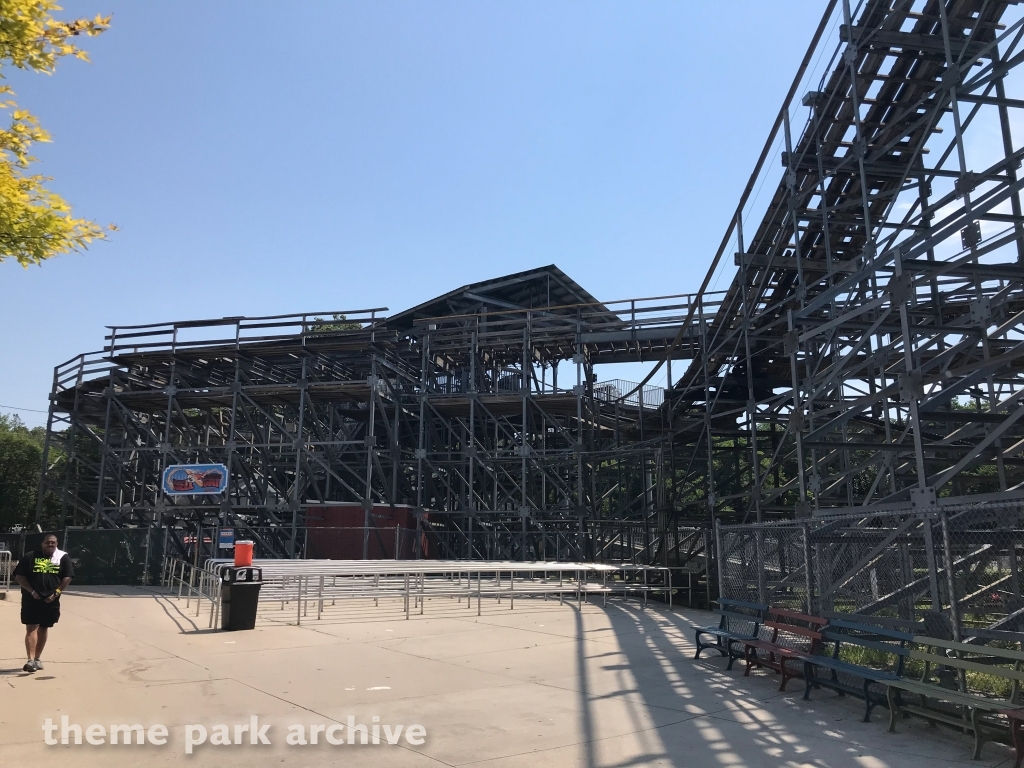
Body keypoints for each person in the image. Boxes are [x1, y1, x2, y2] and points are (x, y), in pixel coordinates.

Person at [13, 534, 73, 673]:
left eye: (53, 542)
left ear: (57, 544)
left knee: (44, 628)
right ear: (42, 544)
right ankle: (30, 660)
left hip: (51, 599)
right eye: (47, 542)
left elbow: (68, 577)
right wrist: (32, 591)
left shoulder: (62, 557)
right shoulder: (30, 556)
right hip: (31, 599)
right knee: (31, 627)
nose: (50, 544)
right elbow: (19, 576)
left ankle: (37, 659)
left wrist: (56, 593)